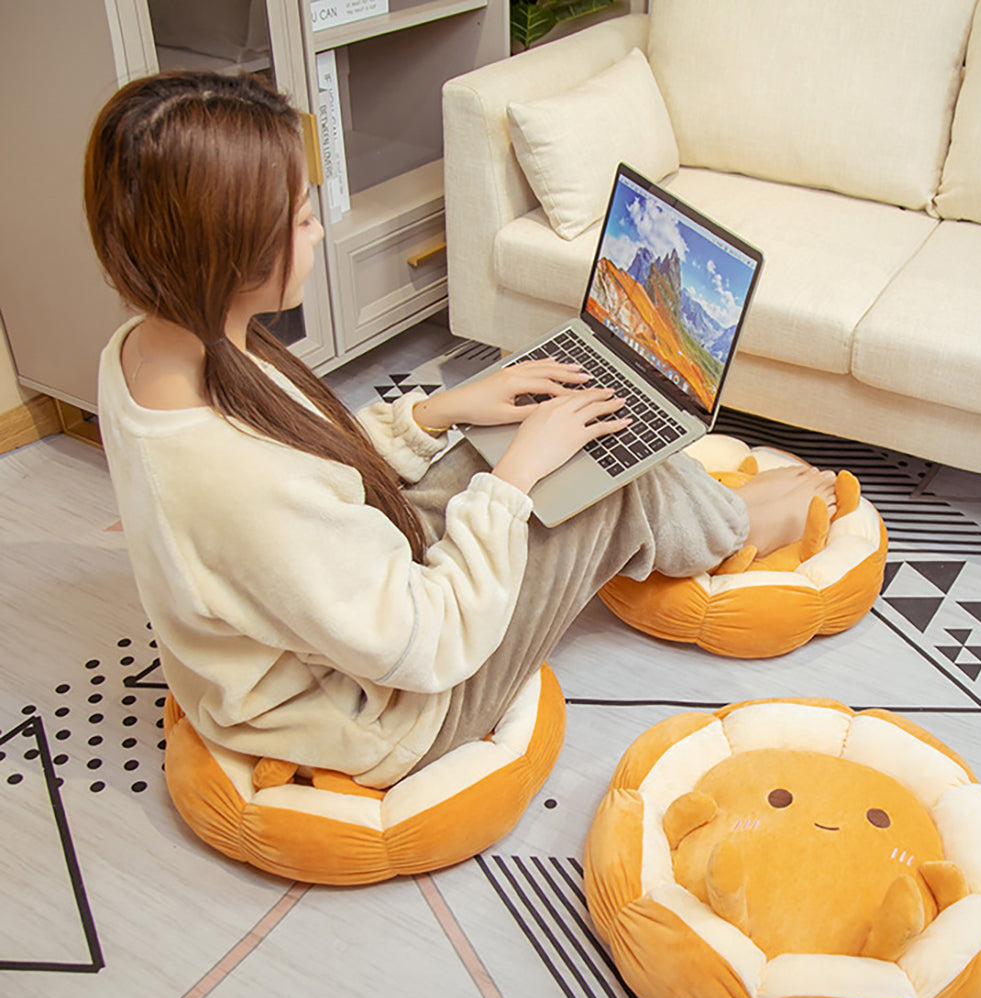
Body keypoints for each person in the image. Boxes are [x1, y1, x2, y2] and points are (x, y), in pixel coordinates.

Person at [85, 71, 837, 788]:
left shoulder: (145, 348)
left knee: (529, 436)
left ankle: (684, 496)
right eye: (303, 216)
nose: (319, 230)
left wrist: (440, 411)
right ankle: (738, 525)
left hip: (347, 619)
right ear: (228, 246)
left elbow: (308, 466)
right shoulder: (238, 483)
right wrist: (516, 479)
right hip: (387, 715)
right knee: (606, 481)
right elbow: (428, 643)